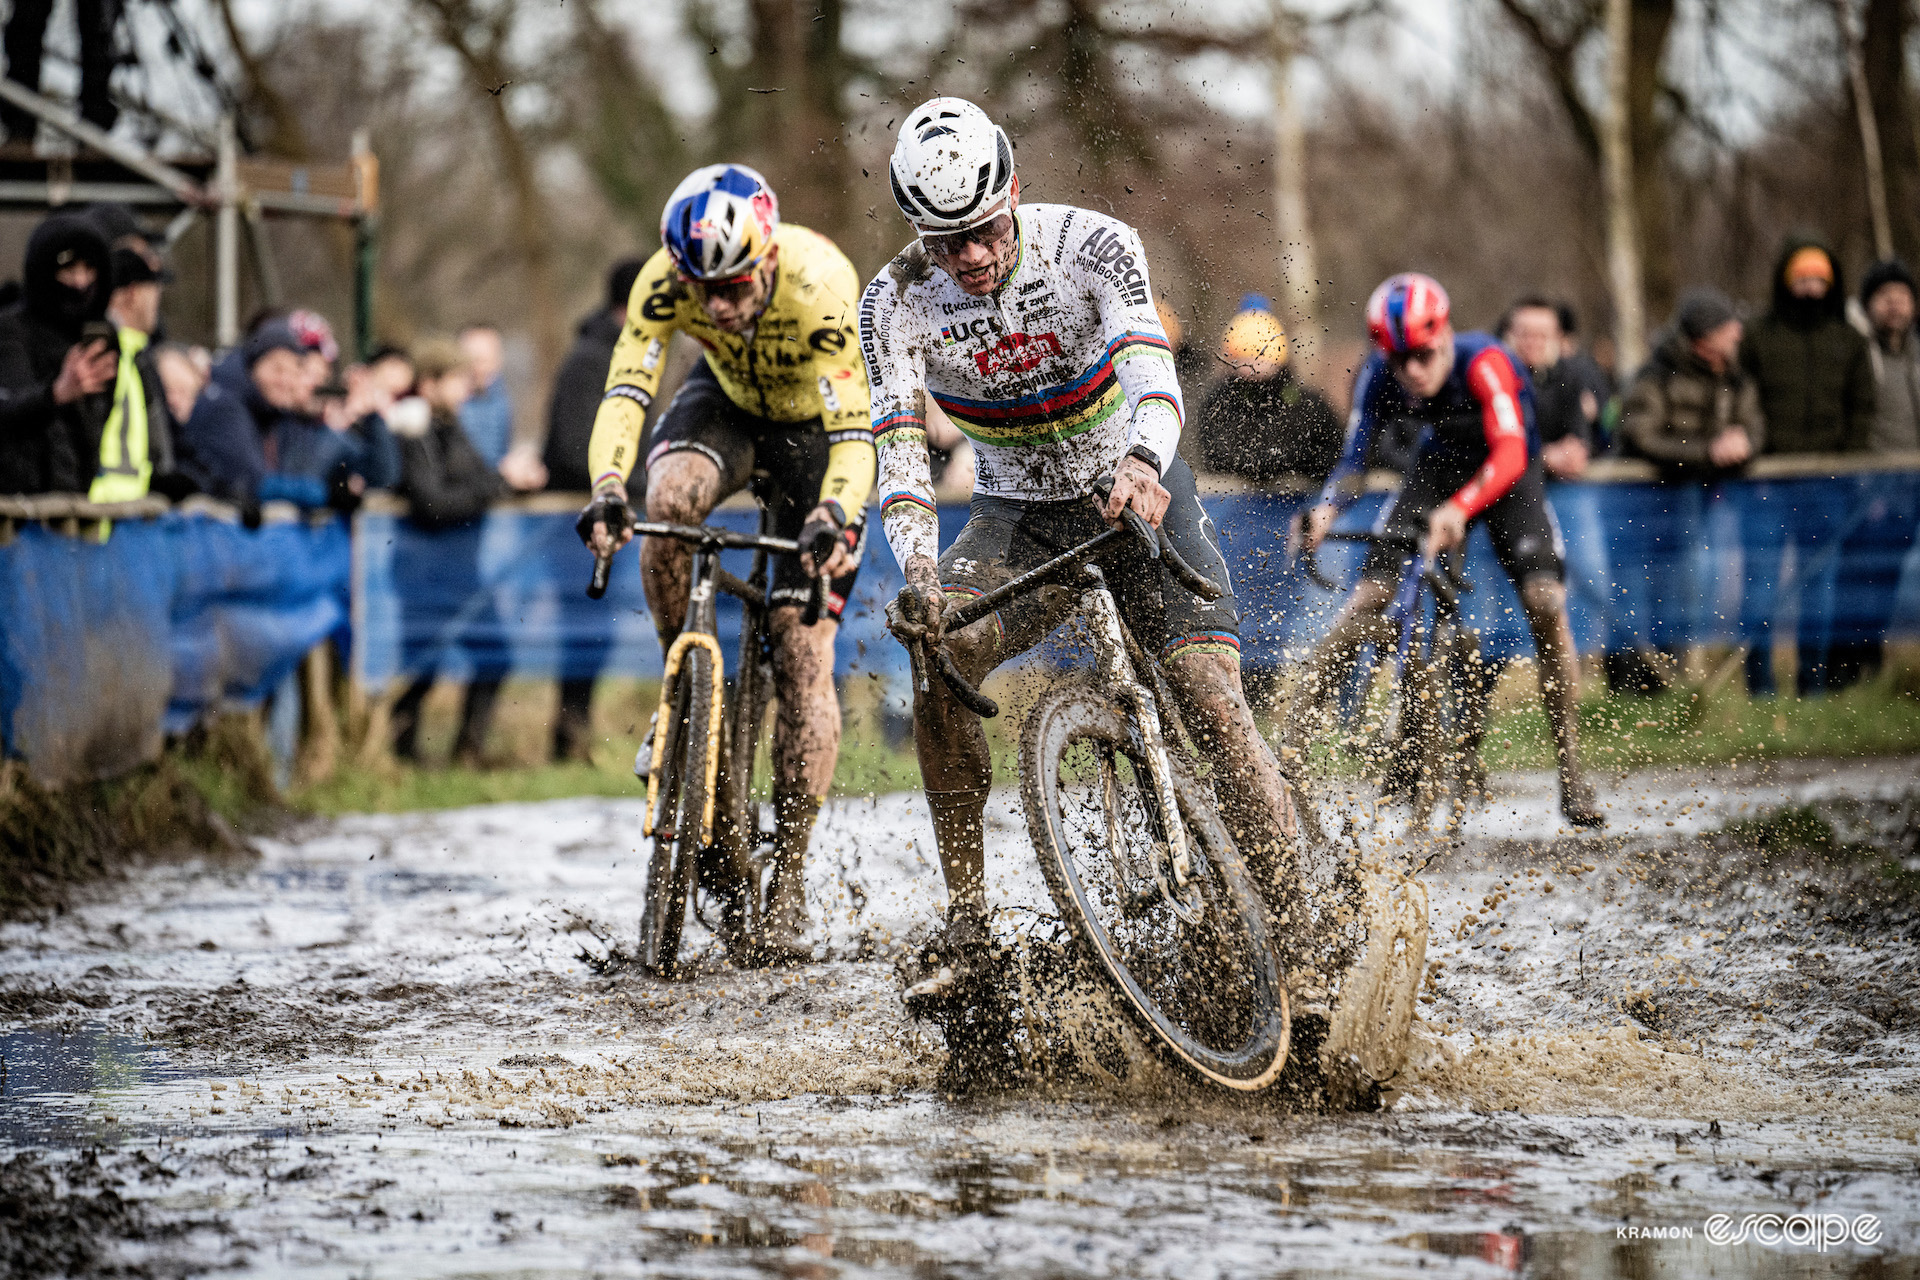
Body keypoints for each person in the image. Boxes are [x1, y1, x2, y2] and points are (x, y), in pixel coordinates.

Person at [862, 96, 1301, 998]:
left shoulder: (1090, 244)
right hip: (1018, 513)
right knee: (937, 647)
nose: (973, 257)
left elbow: (1151, 367)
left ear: (1013, 190)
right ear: (917, 234)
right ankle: (969, 934)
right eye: (946, 243)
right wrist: (915, 562)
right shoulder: (894, 302)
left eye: (984, 229)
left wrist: (1144, 460)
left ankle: (1302, 935)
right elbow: (899, 444)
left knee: (1212, 704)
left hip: (1134, 486)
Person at [578, 165, 877, 963]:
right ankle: (683, 682)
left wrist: (835, 513)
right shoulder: (664, 281)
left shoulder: (821, 284)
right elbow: (625, 392)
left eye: (735, 286)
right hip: (729, 402)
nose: (718, 306)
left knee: (802, 649)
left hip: (818, 431)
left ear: (769, 258)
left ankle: (791, 875)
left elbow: (857, 435)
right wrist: (609, 486)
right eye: (700, 288)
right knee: (667, 500)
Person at [1292, 272, 1604, 829]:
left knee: (1545, 600)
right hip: (1437, 467)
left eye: (1423, 354)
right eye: (1399, 358)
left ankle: (1572, 771)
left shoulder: (1485, 361)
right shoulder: (1379, 375)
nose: (1413, 370)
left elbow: (1510, 454)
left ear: (1445, 334)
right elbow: (1355, 456)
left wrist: (1461, 509)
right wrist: (1324, 510)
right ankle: (1288, 746)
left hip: (1509, 477)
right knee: (1370, 595)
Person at [1737, 235, 1877, 695]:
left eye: (1820, 278)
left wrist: (1850, 468)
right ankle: (1759, 687)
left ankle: (1812, 686)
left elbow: (1862, 408)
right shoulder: (1758, 335)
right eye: (1802, 277)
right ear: (1785, 280)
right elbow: (1741, 400)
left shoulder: (1849, 340)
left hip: (1828, 485)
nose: (1811, 287)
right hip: (1764, 485)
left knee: (1820, 590)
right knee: (1760, 589)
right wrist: (1751, 456)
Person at [1608, 288, 1763, 692]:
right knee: (1635, 592)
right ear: (1705, 336)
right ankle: (1631, 687)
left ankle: (1673, 685)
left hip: (1701, 504)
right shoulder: (1656, 375)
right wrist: (1708, 452)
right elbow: (1639, 434)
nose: (1738, 334)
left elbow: (1753, 423)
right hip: (1642, 504)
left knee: (1689, 590)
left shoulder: (1734, 375)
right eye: (1729, 327)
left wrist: (1743, 443)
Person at [387, 339, 509, 766]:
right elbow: (433, 503)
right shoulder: (412, 429)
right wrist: (491, 486)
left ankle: (467, 751)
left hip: (460, 568)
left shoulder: (451, 424)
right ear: (430, 383)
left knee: (495, 655)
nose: (465, 387)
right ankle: (398, 752)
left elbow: (479, 477)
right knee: (424, 663)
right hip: (424, 569)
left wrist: (507, 478)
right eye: (455, 378)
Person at [543, 257, 644, 763]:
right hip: (575, 526)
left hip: (606, 516)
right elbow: (569, 447)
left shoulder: (624, 355)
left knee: (595, 636)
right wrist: (638, 480)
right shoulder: (590, 359)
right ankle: (567, 739)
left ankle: (574, 736)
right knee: (580, 636)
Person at [1829, 259, 1920, 687]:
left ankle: (1875, 674)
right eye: (1886, 298)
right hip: (1869, 485)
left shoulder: (1916, 351)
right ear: (1868, 304)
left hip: (1912, 485)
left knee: (1891, 581)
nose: (1895, 306)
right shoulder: (1853, 350)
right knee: (1859, 582)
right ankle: (1843, 675)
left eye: (1902, 297)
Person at [0, 213, 119, 495]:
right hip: (21, 513)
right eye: (68, 270)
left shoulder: (100, 336)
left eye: (89, 269)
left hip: (78, 503)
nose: (80, 283)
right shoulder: (12, 330)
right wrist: (55, 394)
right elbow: (8, 410)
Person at [1192, 298, 1343, 487]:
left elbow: (1333, 457)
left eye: (1261, 359)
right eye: (1244, 360)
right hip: (1236, 506)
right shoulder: (1218, 404)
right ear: (1231, 364)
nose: (1253, 369)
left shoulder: (1308, 404)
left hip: (1298, 503)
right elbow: (1218, 458)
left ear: (1279, 360)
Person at [1499, 296, 1593, 480]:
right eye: (1525, 334)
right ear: (1508, 335)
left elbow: (1581, 436)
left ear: (1556, 337)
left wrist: (1573, 454)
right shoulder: (1495, 378)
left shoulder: (1570, 376)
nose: (1533, 342)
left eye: (1542, 335)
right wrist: (1543, 457)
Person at [458, 323, 513, 468]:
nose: (479, 368)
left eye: (486, 360)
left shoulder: (500, 399)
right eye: (474, 360)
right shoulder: (453, 404)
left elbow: (501, 451)